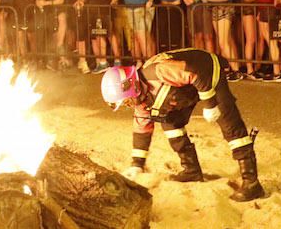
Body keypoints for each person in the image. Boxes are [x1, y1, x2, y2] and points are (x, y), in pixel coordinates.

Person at [100, 49, 265, 202]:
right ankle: (191, 170)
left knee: (229, 123)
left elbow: (197, 71)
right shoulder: (140, 100)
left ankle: (252, 183)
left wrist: (210, 104)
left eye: (127, 100)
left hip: (206, 72)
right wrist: (137, 164)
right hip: (186, 87)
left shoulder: (159, 71)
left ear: (132, 85)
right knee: (167, 120)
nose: (128, 104)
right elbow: (142, 128)